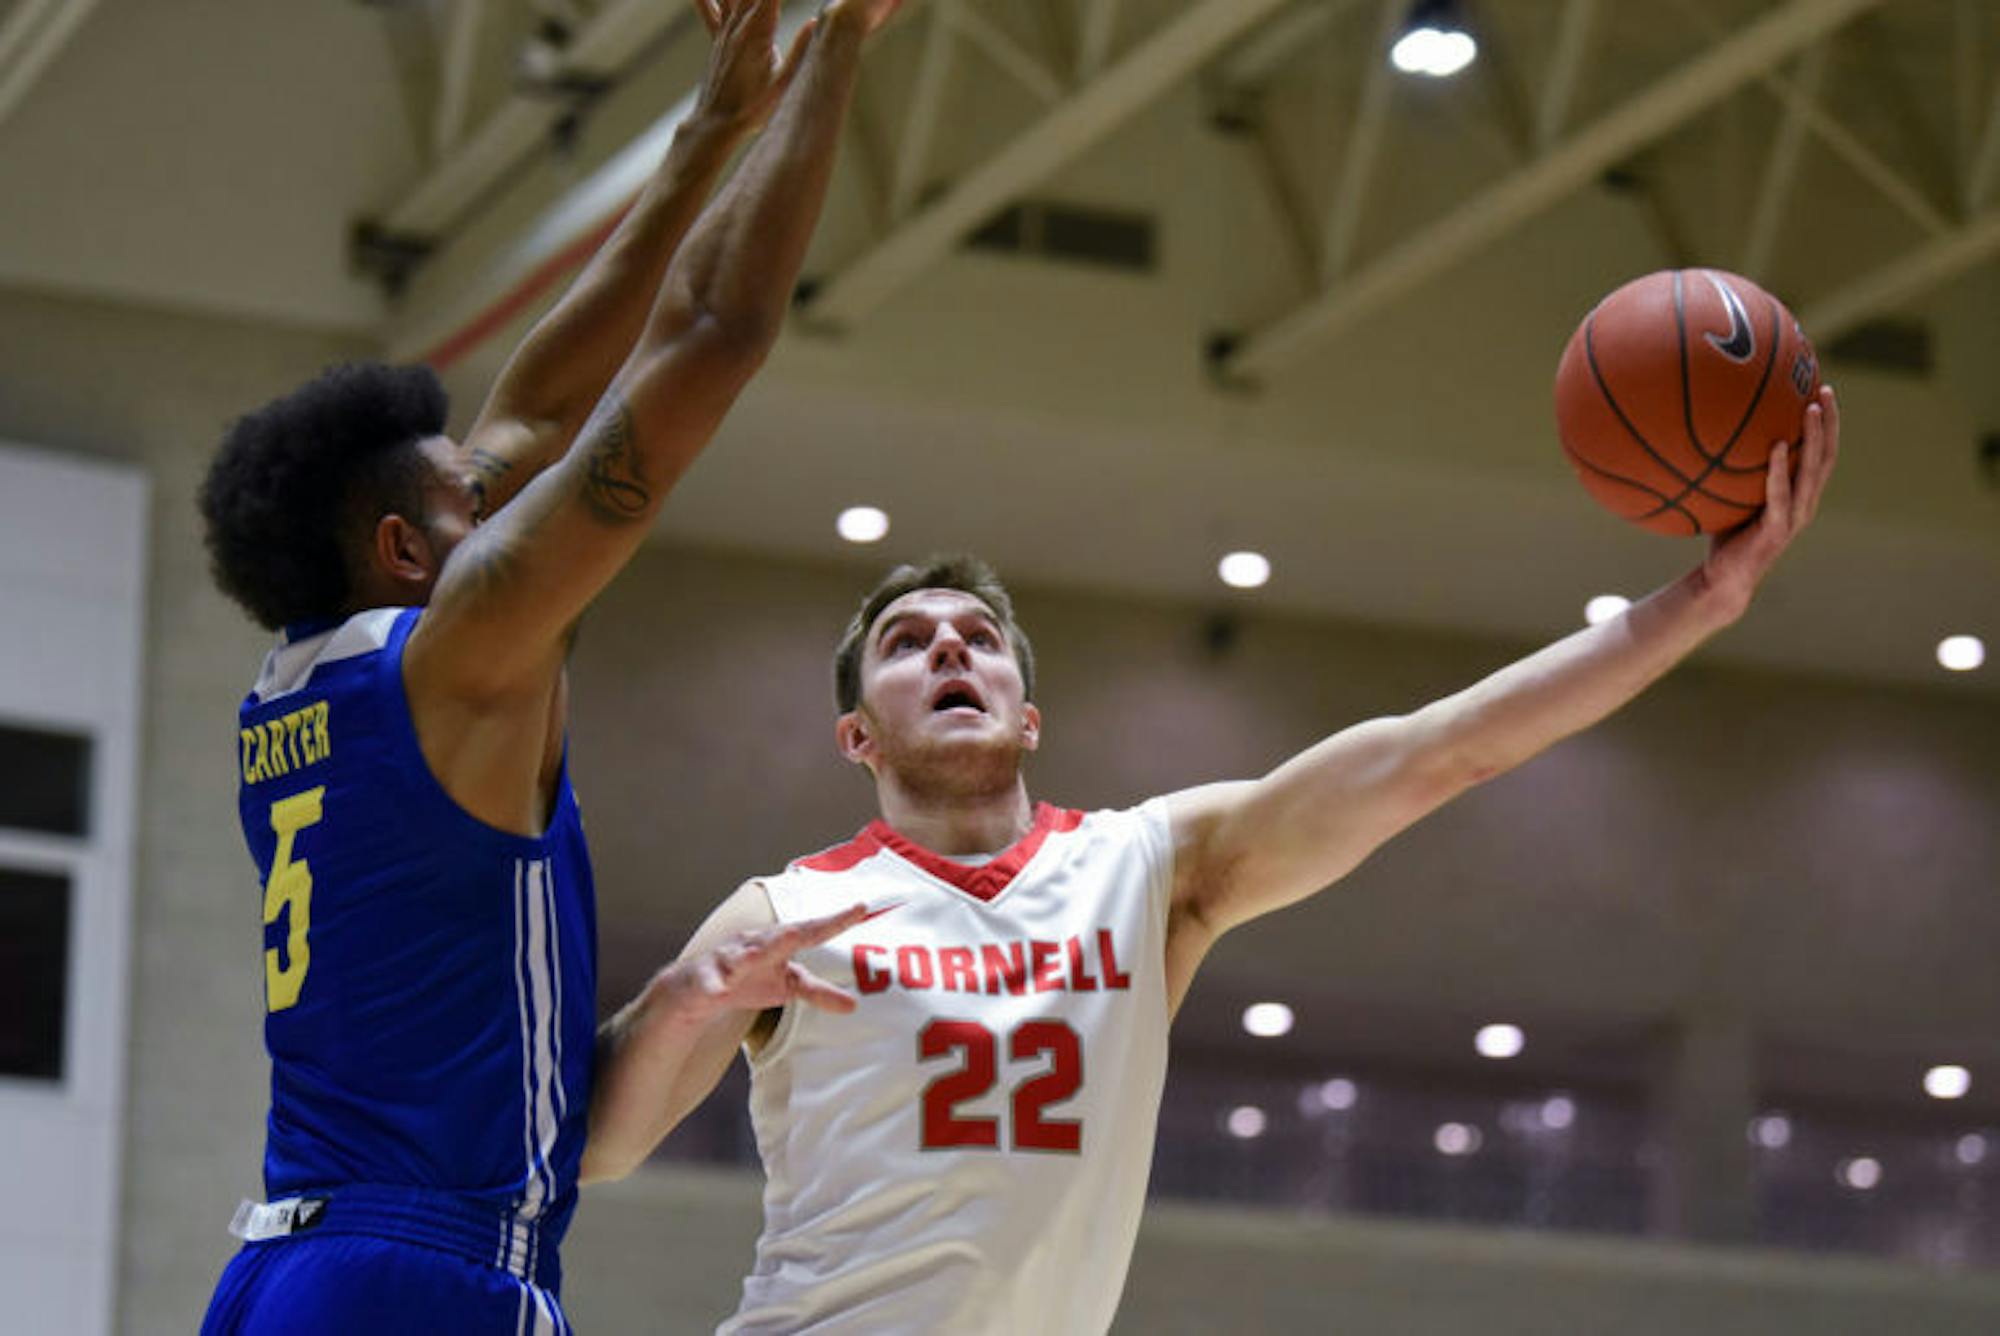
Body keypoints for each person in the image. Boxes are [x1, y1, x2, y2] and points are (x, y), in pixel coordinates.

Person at [604, 390, 1843, 1332]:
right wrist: (681, 1003)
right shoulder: (792, 907)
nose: (949, 653)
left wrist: (1697, 603)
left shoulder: (1150, 866)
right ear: (855, 730)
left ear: (1027, 713)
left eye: (980, 639)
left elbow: (1437, 753)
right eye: (906, 642)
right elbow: (598, 1153)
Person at [194, 1, 900, 1330]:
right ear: (411, 550)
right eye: (481, 506)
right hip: (428, 1274)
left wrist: (714, 125)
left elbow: (535, 410)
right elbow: (716, 338)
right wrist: (842, 42)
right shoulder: (459, 661)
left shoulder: (295, 694)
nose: (513, 515)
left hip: (280, 1271)